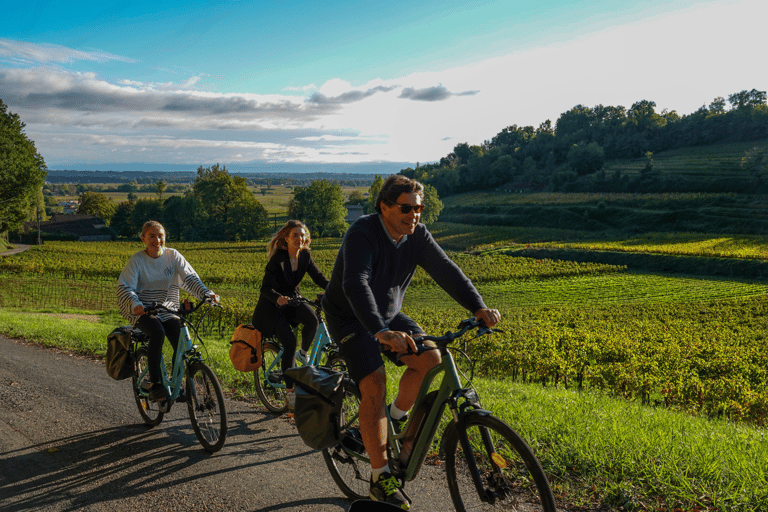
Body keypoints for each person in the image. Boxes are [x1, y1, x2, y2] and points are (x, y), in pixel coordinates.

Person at [322, 175, 500, 509]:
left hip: (388, 314)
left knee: (431, 360)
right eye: (406, 208)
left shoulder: (416, 235)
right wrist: (380, 331)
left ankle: (395, 417)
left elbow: (446, 270)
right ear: (384, 206)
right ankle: (379, 477)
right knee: (373, 384)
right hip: (350, 317)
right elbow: (355, 283)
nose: (414, 215)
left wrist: (478, 307)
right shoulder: (362, 233)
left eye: (419, 208)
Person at [117, 220, 219, 412]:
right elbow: (126, 286)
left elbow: (190, 278)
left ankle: (176, 383)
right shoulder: (137, 261)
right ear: (143, 239)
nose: (157, 240)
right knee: (157, 332)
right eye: (152, 236)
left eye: (160, 235)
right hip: (143, 310)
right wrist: (135, 303)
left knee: (180, 340)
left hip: (167, 309)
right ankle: (156, 384)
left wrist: (206, 294)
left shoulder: (173, 256)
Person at [252, 220, 330, 409]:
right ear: (286, 239)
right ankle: (289, 394)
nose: (300, 238)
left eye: (302, 235)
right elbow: (265, 288)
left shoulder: (305, 256)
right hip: (272, 307)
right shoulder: (277, 259)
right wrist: (278, 298)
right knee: (289, 342)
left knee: (312, 319)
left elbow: (319, 278)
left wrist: (334, 290)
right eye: (295, 235)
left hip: (293, 300)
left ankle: (302, 355)